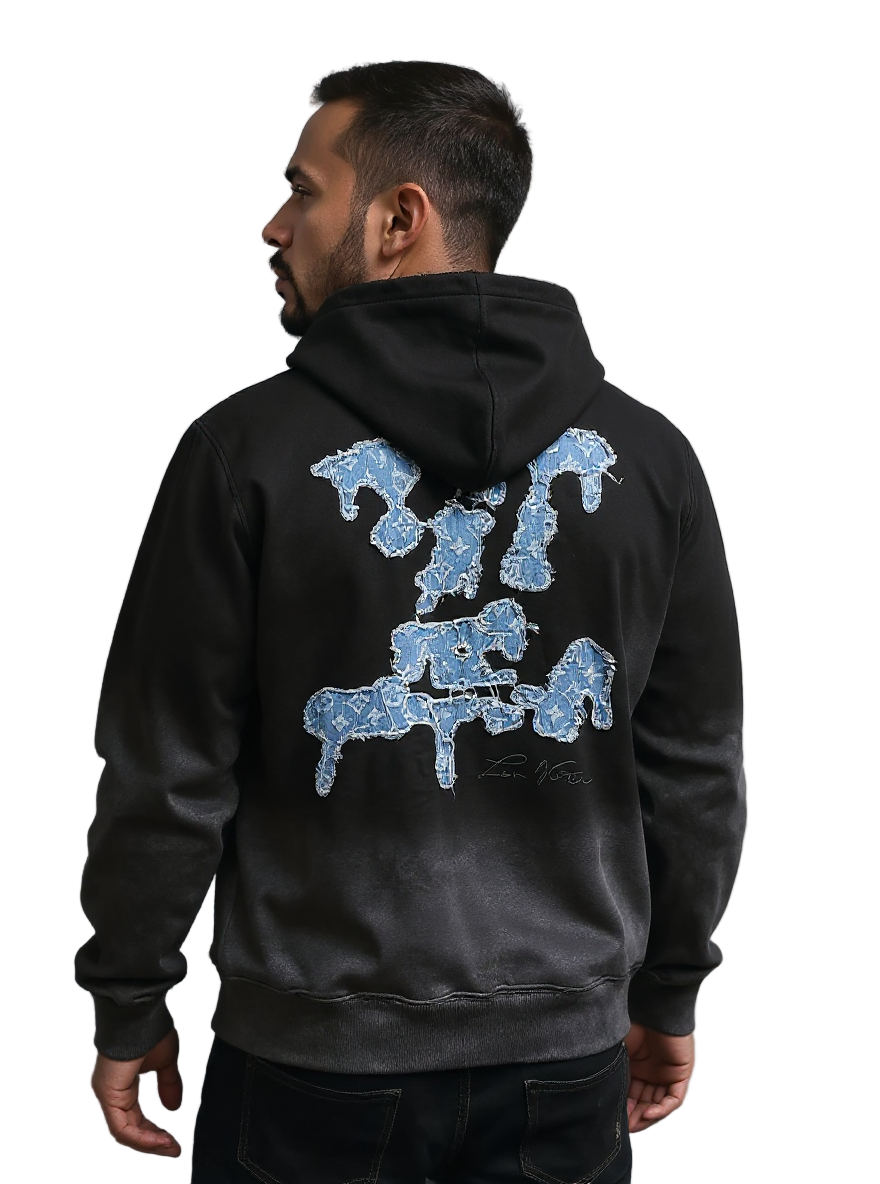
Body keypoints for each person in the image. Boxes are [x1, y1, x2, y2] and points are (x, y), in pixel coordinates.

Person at [75, 60, 746, 1183]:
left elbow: (169, 766)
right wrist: (667, 986)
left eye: (304, 189)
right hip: (560, 1068)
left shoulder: (244, 453)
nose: (275, 225)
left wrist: (129, 995)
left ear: (398, 219)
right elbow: (695, 767)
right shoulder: (650, 460)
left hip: (309, 1066)